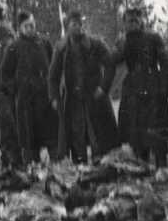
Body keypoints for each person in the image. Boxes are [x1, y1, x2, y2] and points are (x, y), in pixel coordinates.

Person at [48, 9, 119, 163]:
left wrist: (103, 87)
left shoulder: (95, 44)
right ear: (67, 27)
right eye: (73, 24)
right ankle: (81, 168)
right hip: (73, 101)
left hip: (94, 97)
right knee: (76, 136)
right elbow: (52, 77)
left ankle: (100, 167)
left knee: (97, 134)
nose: (77, 27)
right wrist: (54, 97)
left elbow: (110, 65)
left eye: (80, 24)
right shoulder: (61, 48)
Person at [111, 7, 168, 167]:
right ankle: (142, 166)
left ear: (141, 22)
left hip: (152, 90)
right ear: (124, 24)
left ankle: (162, 166)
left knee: (157, 131)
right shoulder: (125, 41)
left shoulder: (153, 38)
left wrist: (165, 87)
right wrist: (118, 46)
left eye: (135, 20)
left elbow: (165, 62)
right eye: (129, 21)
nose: (132, 24)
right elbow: (114, 60)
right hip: (133, 91)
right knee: (136, 133)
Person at [0, 11, 55, 164]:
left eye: (32, 25)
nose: (30, 29)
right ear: (20, 28)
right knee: (29, 141)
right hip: (25, 103)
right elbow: (5, 76)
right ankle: (32, 170)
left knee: (51, 136)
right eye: (26, 26)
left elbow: (53, 66)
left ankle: (57, 169)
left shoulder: (44, 43)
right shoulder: (13, 48)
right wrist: (17, 88)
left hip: (45, 100)